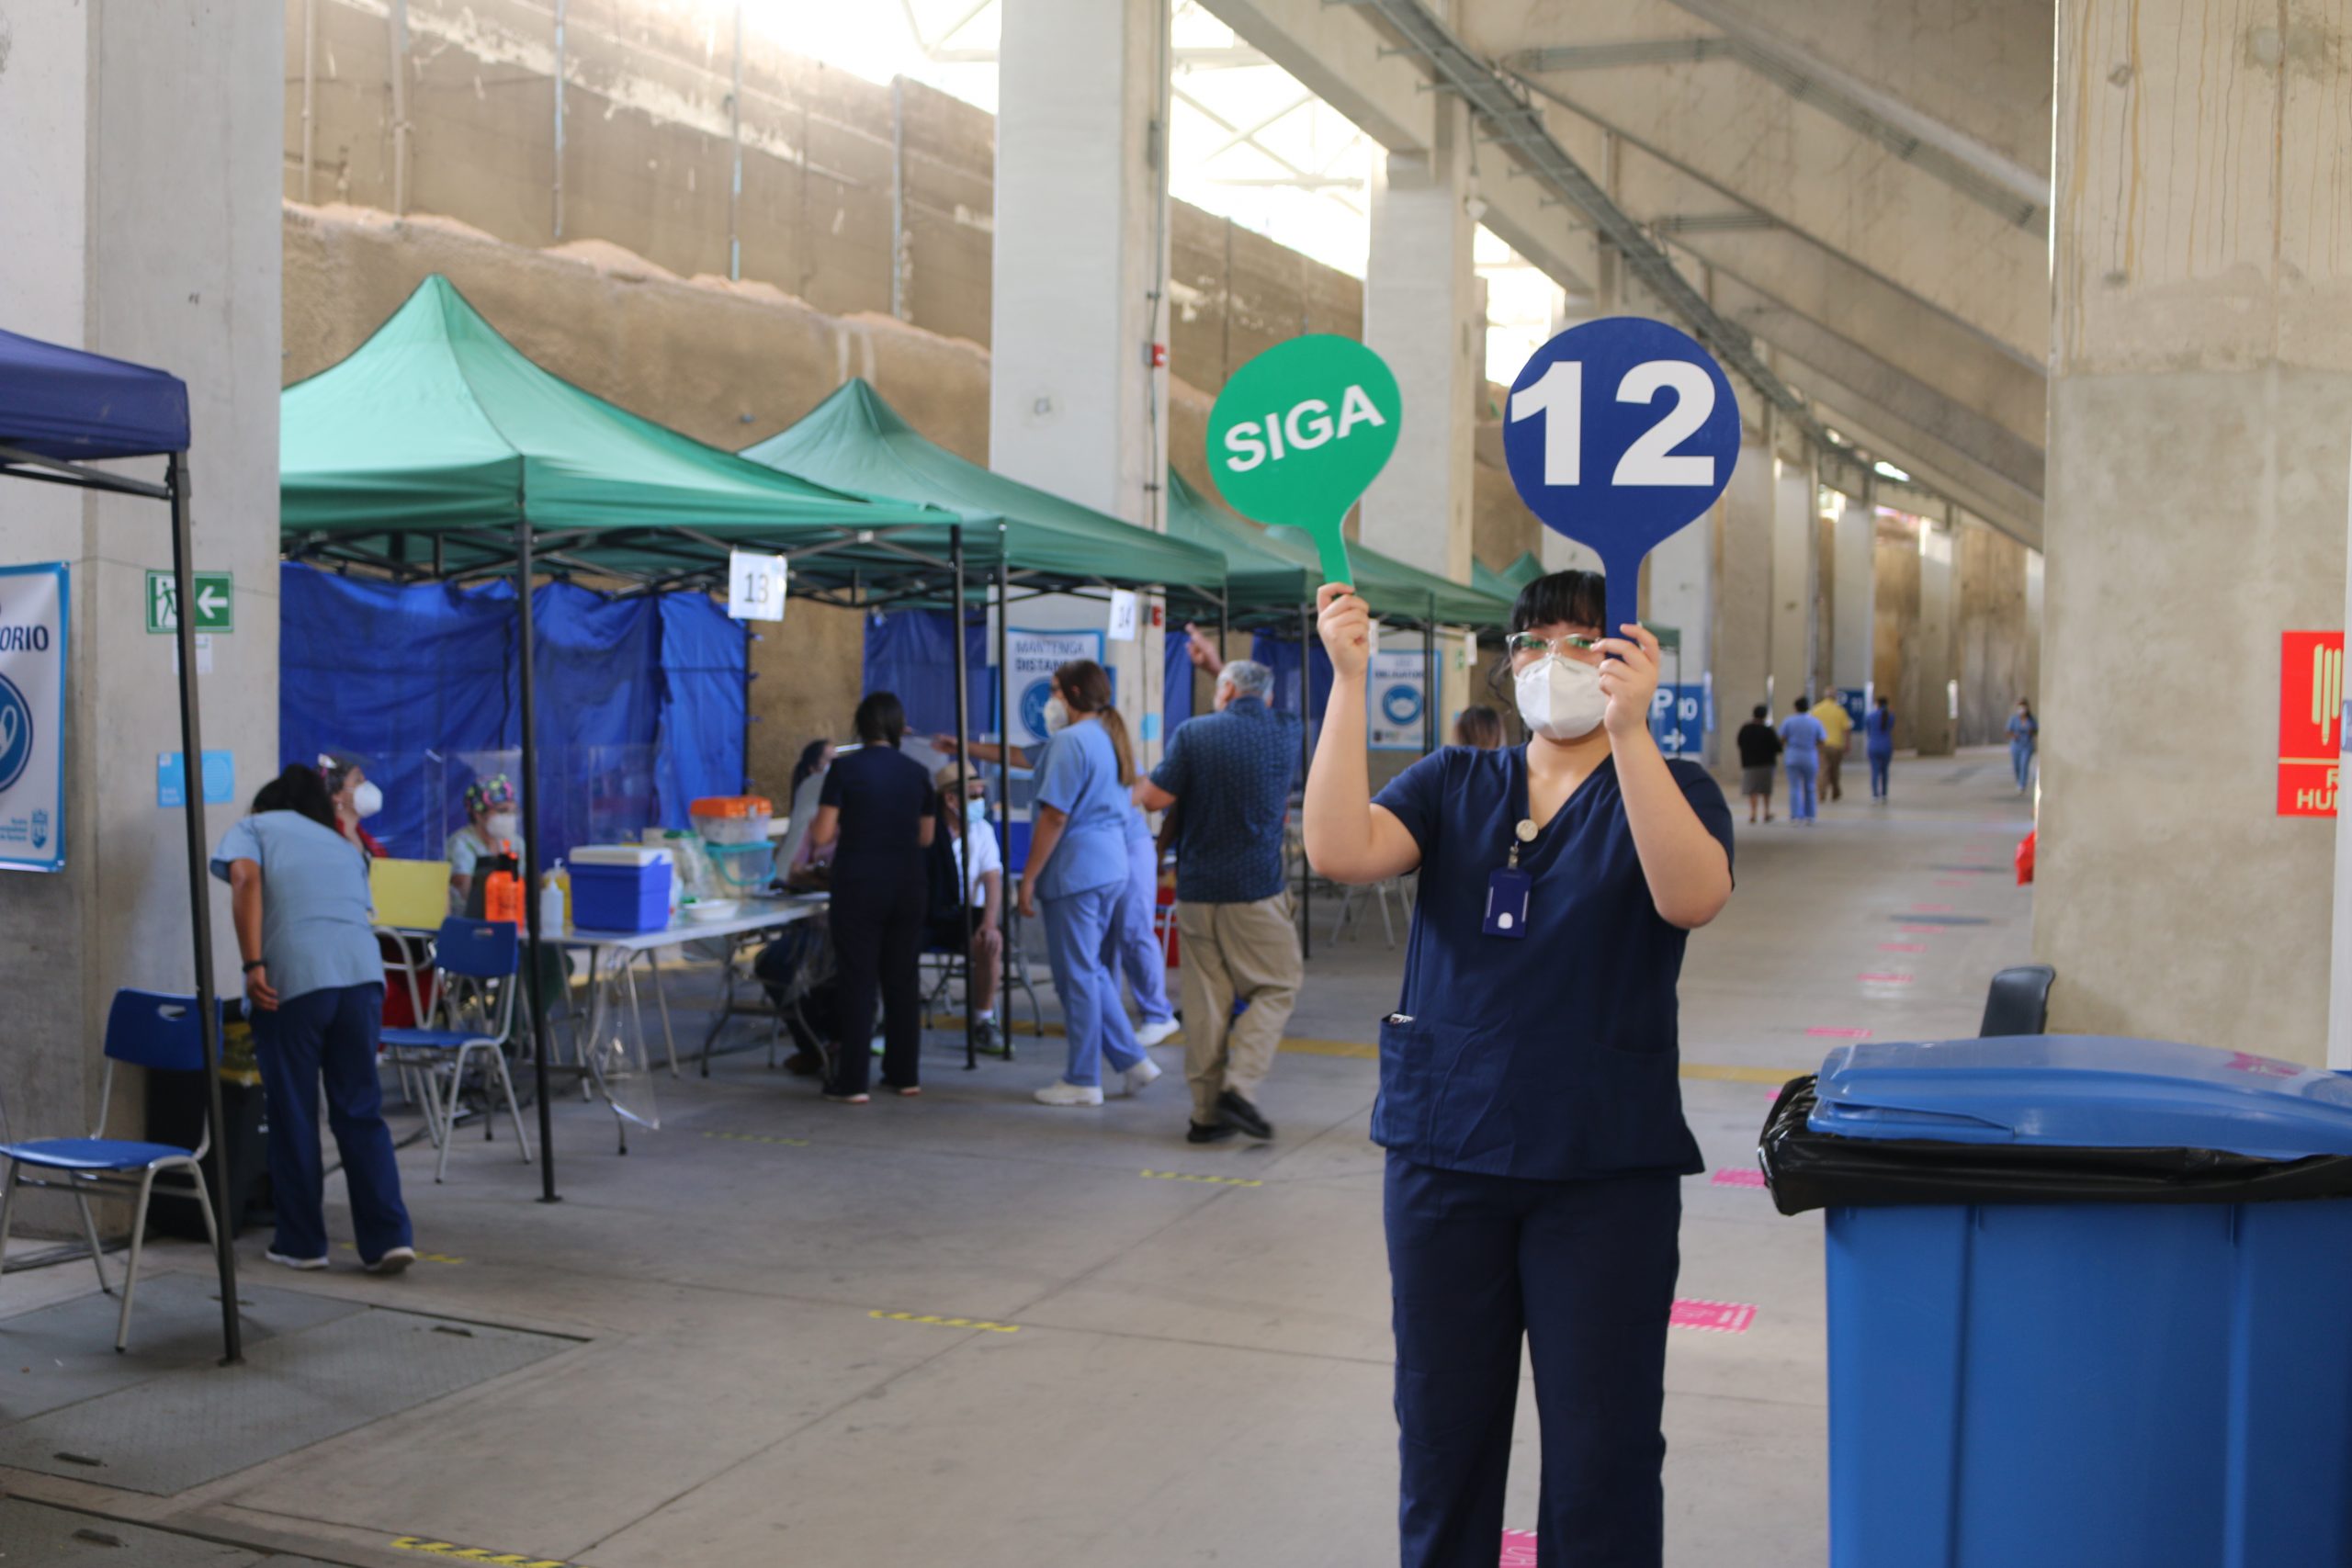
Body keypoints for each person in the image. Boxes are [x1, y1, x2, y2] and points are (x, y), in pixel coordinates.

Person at [1303, 571, 1732, 1567]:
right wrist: (1348, 681)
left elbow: (1691, 898)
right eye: (1535, 640)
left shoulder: (1670, 786)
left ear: (1628, 660)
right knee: (1444, 1437)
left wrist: (1631, 734)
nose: (1556, 662)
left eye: (1584, 642)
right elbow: (1338, 848)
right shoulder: (1456, 784)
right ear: (1506, 659)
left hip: (1600, 1171)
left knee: (1603, 1447)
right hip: (1446, 1158)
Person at [212, 764, 416, 1275]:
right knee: (360, 1109)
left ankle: (302, 1243)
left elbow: (244, 877)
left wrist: (253, 963)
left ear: (263, 805)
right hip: (363, 978)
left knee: (295, 1113)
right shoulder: (343, 844)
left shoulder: (256, 826)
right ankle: (389, 1238)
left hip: (296, 983)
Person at [1136, 652, 1299, 1144]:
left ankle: (1206, 1117)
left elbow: (1154, 800)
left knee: (1206, 1002)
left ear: (1224, 692)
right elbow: (1252, 695)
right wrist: (1219, 668)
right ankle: (1239, 1086)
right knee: (1277, 985)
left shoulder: (1194, 733)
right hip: (1256, 889)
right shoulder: (1286, 729)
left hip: (1198, 889)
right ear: (1267, 697)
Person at [1019, 660, 1161, 1107]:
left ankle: (1082, 1078)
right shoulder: (1110, 738)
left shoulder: (1069, 741)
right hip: (1110, 867)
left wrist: (1028, 877)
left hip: (1076, 872)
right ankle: (1132, 1060)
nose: (1051, 702)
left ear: (1074, 693)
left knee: (1076, 977)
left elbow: (1055, 815)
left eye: (1056, 691)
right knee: (1092, 971)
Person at [808, 694, 935, 1101]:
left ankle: (853, 1081)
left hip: (859, 882)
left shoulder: (844, 769)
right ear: (900, 727)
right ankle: (904, 1075)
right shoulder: (918, 772)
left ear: (860, 727)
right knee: (902, 979)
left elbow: (823, 835)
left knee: (858, 981)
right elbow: (927, 837)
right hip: (908, 883)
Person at [929, 763, 1007, 1057]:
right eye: (973, 795)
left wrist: (989, 923)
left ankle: (983, 1021)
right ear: (950, 799)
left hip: (967, 913)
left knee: (989, 943)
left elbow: (992, 878)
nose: (980, 800)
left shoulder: (982, 831)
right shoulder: (927, 831)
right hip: (931, 911)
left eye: (980, 794)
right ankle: (887, 1021)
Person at [446, 773, 521, 915]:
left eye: (513, 811)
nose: (510, 817)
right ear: (478, 813)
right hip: (469, 922)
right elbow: (465, 889)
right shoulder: (461, 842)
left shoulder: (516, 843)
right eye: (502, 810)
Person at [774, 739, 838, 888]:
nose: (836, 765)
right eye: (830, 760)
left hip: (789, 871)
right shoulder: (814, 784)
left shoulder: (811, 787)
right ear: (812, 768)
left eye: (836, 759)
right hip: (791, 873)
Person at [320, 750, 387, 861]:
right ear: (337, 795)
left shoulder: (371, 843)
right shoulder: (326, 839)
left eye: (364, 780)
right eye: (358, 780)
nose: (366, 787)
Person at [1778, 696, 1828, 825]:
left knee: (1794, 787)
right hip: (1810, 756)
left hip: (1793, 755)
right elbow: (1822, 740)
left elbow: (1782, 739)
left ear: (1795, 708)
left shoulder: (1788, 721)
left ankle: (1795, 815)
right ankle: (1810, 815)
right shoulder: (1815, 722)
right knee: (1810, 786)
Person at [1736, 703, 1781, 825]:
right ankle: (1766, 812)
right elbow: (1777, 747)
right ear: (1765, 716)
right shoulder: (1768, 730)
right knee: (1765, 790)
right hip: (1766, 764)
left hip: (1749, 763)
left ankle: (1753, 813)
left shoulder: (1745, 729)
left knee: (1752, 790)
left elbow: (1739, 743)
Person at [1815, 690, 1853, 803]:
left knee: (1822, 770)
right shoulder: (1840, 711)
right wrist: (1848, 744)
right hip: (1837, 745)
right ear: (1835, 697)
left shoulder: (1816, 710)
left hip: (1821, 745)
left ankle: (1821, 793)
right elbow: (1846, 729)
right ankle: (1835, 791)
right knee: (1835, 770)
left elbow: (1812, 728)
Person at [1866, 694, 1898, 800]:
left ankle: (1875, 794)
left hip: (1873, 746)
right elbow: (1890, 728)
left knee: (1875, 771)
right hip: (1886, 746)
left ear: (1877, 704)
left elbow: (1869, 731)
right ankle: (1884, 793)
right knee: (1884, 771)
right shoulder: (1890, 716)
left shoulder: (1870, 716)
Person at [2006, 699, 2039, 794]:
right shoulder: (2014, 719)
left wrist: (2031, 731)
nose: (2022, 710)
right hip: (2016, 745)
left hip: (2027, 746)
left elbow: (2036, 730)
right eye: (2020, 707)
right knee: (2017, 766)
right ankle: (2019, 781)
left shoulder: (2031, 719)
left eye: (2023, 707)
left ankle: (2022, 785)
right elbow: (2008, 731)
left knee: (2024, 765)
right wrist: (2013, 735)